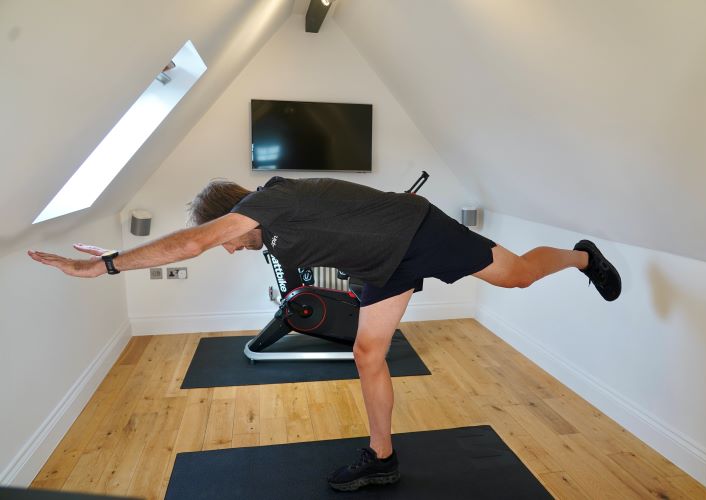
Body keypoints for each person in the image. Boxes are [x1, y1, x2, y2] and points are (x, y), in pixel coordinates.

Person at [28, 176, 621, 492]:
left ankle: (578, 257)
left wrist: (99, 267)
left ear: (233, 215)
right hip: (380, 268)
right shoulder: (276, 226)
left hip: (417, 232)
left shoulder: (271, 202)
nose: (228, 246)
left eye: (225, 235)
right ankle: (382, 458)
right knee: (368, 356)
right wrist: (121, 254)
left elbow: (191, 242)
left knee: (514, 277)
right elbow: (192, 247)